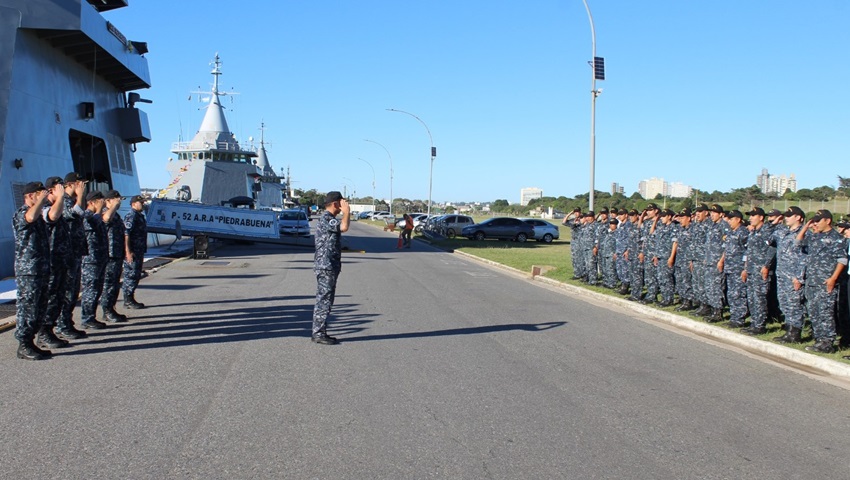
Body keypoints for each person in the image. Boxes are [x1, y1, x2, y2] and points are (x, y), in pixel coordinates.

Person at [796, 210, 848, 353]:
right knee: (814, 312)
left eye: (818, 220)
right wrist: (806, 227)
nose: (816, 223)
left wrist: (833, 278)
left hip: (826, 281)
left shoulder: (837, 238)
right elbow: (798, 242)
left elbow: (842, 260)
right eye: (814, 220)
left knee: (825, 312)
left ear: (828, 221)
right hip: (812, 281)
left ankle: (827, 342)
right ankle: (819, 339)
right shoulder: (814, 237)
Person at [13, 182, 53, 360]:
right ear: (29, 196)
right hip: (28, 270)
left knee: (39, 306)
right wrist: (42, 201)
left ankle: (32, 341)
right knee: (28, 306)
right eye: (40, 193)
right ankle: (23, 344)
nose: (44, 196)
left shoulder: (39, 217)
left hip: (41, 268)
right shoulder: (22, 213)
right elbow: (29, 218)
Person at [311, 191, 350, 345]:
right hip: (326, 266)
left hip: (328, 265)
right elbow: (344, 226)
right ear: (335, 204)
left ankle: (321, 331)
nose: (344, 205)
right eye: (342, 203)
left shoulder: (329, 219)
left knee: (326, 299)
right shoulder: (327, 218)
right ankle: (318, 333)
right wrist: (347, 212)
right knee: (324, 300)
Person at [38, 176, 72, 350]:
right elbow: (52, 217)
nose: (63, 190)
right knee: (50, 297)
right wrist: (59, 198)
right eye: (60, 188)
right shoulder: (44, 207)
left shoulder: (57, 205)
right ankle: (43, 333)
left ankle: (50, 330)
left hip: (60, 261)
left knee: (59, 297)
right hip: (50, 262)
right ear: (51, 190)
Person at [57, 173, 88, 340]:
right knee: (67, 291)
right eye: (81, 184)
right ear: (71, 184)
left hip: (74, 252)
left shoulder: (74, 200)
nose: (83, 187)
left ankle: (67, 323)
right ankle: (62, 325)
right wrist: (81, 196)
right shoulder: (65, 201)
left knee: (74, 291)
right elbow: (74, 214)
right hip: (66, 253)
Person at [771, 207, 808, 344]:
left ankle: (795, 333)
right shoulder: (783, 232)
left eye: (789, 216)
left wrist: (799, 276)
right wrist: (775, 221)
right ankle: (789, 330)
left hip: (794, 275)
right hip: (782, 273)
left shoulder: (804, 233)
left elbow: (805, 257)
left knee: (795, 305)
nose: (786, 218)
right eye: (785, 215)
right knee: (785, 303)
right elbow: (769, 238)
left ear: (798, 217)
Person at [740, 207, 776, 335]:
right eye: (750, 216)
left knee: (760, 298)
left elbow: (772, 250)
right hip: (751, 269)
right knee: (752, 297)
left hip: (760, 270)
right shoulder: (753, 232)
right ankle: (754, 323)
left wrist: (766, 266)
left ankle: (760, 325)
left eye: (753, 215)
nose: (750, 218)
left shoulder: (767, 231)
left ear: (761, 217)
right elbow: (748, 251)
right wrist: (745, 268)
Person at [80, 191, 111, 330]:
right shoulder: (86, 216)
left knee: (97, 289)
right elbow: (93, 224)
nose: (102, 203)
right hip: (90, 259)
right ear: (92, 202)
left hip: (99, 257)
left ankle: (91, 316)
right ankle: (87, 318)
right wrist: (99, 210)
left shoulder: (95, 216)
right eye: (100, 201)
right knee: (90, 289)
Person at [100, 190, 127, 323]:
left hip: (117, 254)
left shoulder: (116, 216)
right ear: (108, 200)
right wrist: (113, 206)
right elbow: (105, 219)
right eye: (116, 199)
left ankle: (111, 308)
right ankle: (106, 311)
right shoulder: (104, 212)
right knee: (108, 284)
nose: (119, 202)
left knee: (115, 284)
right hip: (109, 255)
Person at [721, 210, 749, 327]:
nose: (729, 221)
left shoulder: (743, 232)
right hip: (730, 268)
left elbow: (748, 251)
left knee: (739, 294)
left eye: (731, 219)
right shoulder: (732, 232)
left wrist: (745, 268)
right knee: (731, 294)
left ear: (738, 220)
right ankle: (734, 317)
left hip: (738, 268)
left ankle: (739, 319)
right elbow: (727, 250)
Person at [703, 204, 727, 322]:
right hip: (709, 261)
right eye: (711, 212)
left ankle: (718, 312)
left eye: (715, 213)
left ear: (721, 214)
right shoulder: (712, 226)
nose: (712, 215)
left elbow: (726, 246)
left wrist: (721, 260)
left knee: (717, 287)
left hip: (717, 262)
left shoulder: (724, 226)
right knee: (709, 286)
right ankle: (712, 310)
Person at [123, 195, 147, 309]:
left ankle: (131, 297)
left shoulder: (140, 216)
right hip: (133, 252)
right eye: (141, 202)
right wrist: (128, 251)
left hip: (139, 251)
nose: (143, 204)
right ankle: (127, 299)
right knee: (131, 275)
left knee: (136, 275)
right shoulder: (131, 216)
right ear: (134, 203)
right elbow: (126, 234)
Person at [673, 208, 696, 311]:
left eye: (683, 218)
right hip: (680, 259)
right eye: (680, 217)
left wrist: (692, 259)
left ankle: (688, 302)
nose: (680, 220)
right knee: (680, 280)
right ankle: (683, 300)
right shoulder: (680, 229)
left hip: (688, 260)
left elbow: (695, 245)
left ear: (689, 218)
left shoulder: (693, 229)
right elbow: (676, 243)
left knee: (687, 281)